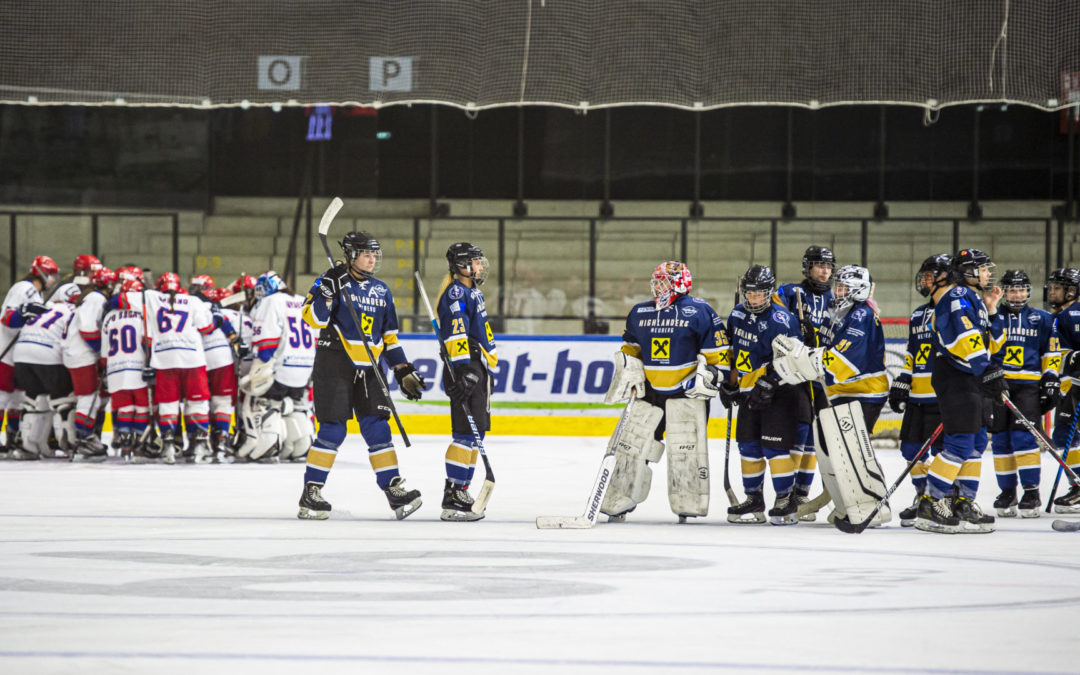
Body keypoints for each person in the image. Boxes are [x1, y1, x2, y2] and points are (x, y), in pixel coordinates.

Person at [298, 231, 426, 520]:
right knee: (333, 429)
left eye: (374, 254)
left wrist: (402, 368)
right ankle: (311, 491)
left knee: (378, 428)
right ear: (351, 255)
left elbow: (390, 338)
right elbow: (312, 319)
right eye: (367, 253)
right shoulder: (330, 279)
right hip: (335, 363)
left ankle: (394, 490)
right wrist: (326, 292)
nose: (372, 259)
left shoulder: (382, 290)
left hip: (371, 369)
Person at [598, 260, 728, 523]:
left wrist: (710, 375)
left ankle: (688, 503)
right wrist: (629, 369)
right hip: (650, 393)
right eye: (656, 281)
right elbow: (631, 349)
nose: (658, 286)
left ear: (680, 283)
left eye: (664, 282)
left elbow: (720, 356)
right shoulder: (640, 311)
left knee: (686, 451)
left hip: (686, 393)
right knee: (632, 447)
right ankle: (620, 499)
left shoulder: (700, 310)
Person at [918, 249, 1005, 533]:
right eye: (982, 268)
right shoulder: (957, 297)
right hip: (956, 376)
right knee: (959, 443)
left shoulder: (976, 300)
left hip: (972, 377)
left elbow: (995, 343)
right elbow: (964, 338)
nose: (988, 273)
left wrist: (992, 310)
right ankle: (930, 501)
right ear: (967, 271)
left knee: (977, 443)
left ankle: (963, 502)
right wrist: (986, 368)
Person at [723, 264, 809, 525]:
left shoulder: (782, 319)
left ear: (769, 293)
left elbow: (793, 359)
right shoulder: (736, 315)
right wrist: (730, 384)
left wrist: (770, 382)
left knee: (774, 446)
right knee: (748, 447)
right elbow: (734, 354)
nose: (753, 298)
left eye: (759, 294)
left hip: (779, 394)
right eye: (749, 293)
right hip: (750, 393)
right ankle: (754, 498)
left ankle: (785, 498)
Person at [115, 272, 216, 464]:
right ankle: (199, 445)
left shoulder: (150, 297)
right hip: (192, 357)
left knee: (168, 404)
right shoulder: (193, 301)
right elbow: (206, 328)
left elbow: (118, 300)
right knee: (197, 403)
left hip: (164, 358)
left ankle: (168, 445)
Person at [983, 269, 1059, 518]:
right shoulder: (991, 315)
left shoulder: (1043, 318)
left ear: (1029, 291)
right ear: (1004, 292)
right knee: (1002, 441)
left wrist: (1050, 379)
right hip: (998, 384)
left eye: (1021, 289)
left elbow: (1051, 352)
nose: (1017, 295)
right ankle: (1007, 492)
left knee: (1024, 439)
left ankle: (1031, 492)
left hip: (1028, 386)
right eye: (1012, 290)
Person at [436, 243, 501, 521]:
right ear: (461, 265)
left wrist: (482, 370)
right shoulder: (456, 292)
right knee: (464, 434)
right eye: (474, 262)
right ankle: (452, 494)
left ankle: (462, 488)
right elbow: (457, 332)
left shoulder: (472, 291)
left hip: (477, 367)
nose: (479, 267)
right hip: (466, 366)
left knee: (476, 435)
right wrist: (465, 371)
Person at [772, 245, 835, 516]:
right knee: (799, 431)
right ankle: (789, 495)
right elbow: (773, 320)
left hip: (824, 376)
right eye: (820, 265)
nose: (825, 270)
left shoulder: (836, 297)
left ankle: (803, 494)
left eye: (829, 266)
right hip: (797, 374)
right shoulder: (789, 293)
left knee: (814, 438)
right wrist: (796, 335)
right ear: (807, 268)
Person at [888, 254, 951, 526]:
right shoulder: (917, 314)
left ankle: (941, 498)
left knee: (942, 451)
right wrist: (903, 378)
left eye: (930, 275)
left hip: (942, 397)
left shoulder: (954, 310)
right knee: (911, 449)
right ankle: (922, 495)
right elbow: (913, 353)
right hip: (917, 397)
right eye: (923, 275)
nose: (924, 280)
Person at [237, 271, 316, 463]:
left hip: (280, 368)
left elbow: (266, 343)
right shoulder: (302, 300)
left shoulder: (271, 302)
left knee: (260, 402)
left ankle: (269, 446)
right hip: (304, 369)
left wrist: (260, 364)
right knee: (295, 405)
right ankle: (300, 446)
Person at [0, 256, 59, 458]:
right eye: (51, 274)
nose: (52, 279)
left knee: (17, 398)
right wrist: (23, 313)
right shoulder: (24, 288)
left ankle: (12, 437)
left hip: (17, 353)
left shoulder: (36, 293)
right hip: (5, 351)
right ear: (42, 273)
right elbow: (7, 318)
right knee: (2, 397)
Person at [61, 265, 118, 459]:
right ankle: (84, 439)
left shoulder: (90, 297)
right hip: (81, 354)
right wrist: (101, 351)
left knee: (96, 398)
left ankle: (89, 436)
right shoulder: (96, 298)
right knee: (88, 397)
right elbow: (88, 329)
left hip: (77, 353)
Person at [11, 292, 74, 460]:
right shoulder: (74, 311)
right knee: (63, 401)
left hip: (21, 354)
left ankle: (28, 445)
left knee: (34, 399)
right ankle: (71, 445)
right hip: (47, 354)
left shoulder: (49, 308)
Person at [188, 274, 240, 459]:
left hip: (197, 359)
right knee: (222, 402)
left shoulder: (184, 304)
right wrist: (235, 339)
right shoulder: (216, 307)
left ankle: (197, 442)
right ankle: (221, 442)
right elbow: (228, 329)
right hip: (221, 357)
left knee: (197, 402)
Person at [102, 272, 151, 460]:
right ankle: (138, 443)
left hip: (115, 370)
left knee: (124, 409)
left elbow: (104, 352)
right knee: (141, 409)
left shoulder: (109, 317)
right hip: (137, 368)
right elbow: (147, 342)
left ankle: (124, 444)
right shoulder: (142, 316)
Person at [1045, 267, 1080, 513]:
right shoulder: (1059, 315)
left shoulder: (1075, 314)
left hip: (1075, 386)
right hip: (1067, 386)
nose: (1052, 291)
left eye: (1058, 287)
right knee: (1065, 437)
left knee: (1065, 436)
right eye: (1052, 286)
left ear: (1071, 290)